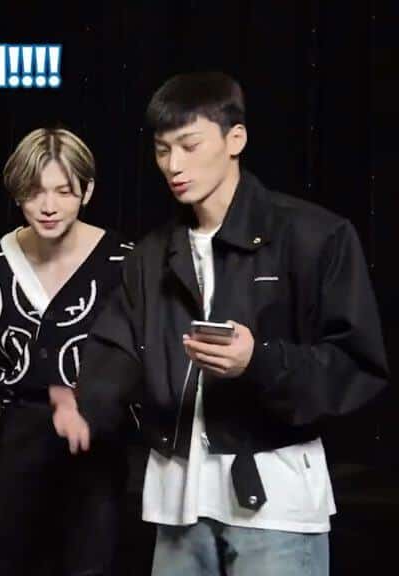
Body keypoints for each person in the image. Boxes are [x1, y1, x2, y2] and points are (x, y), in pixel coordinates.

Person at [53, 71, 389, 576]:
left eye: (189, 145)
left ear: (236, 139)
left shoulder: (315, 236)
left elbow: (356, 367)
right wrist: (84, 405)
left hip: (276, 507)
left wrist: (259, 361)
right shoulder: (151, 256)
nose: (174, 165)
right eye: (163, 150)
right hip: (177, 508)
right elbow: (116, 350)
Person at [0, 127, 130, 575]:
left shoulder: (124, 262)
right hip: (18, 454)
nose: (49, 206)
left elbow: (136, 363)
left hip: (97, 451)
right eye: (35, 191)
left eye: (64, 191)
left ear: (87, 191)